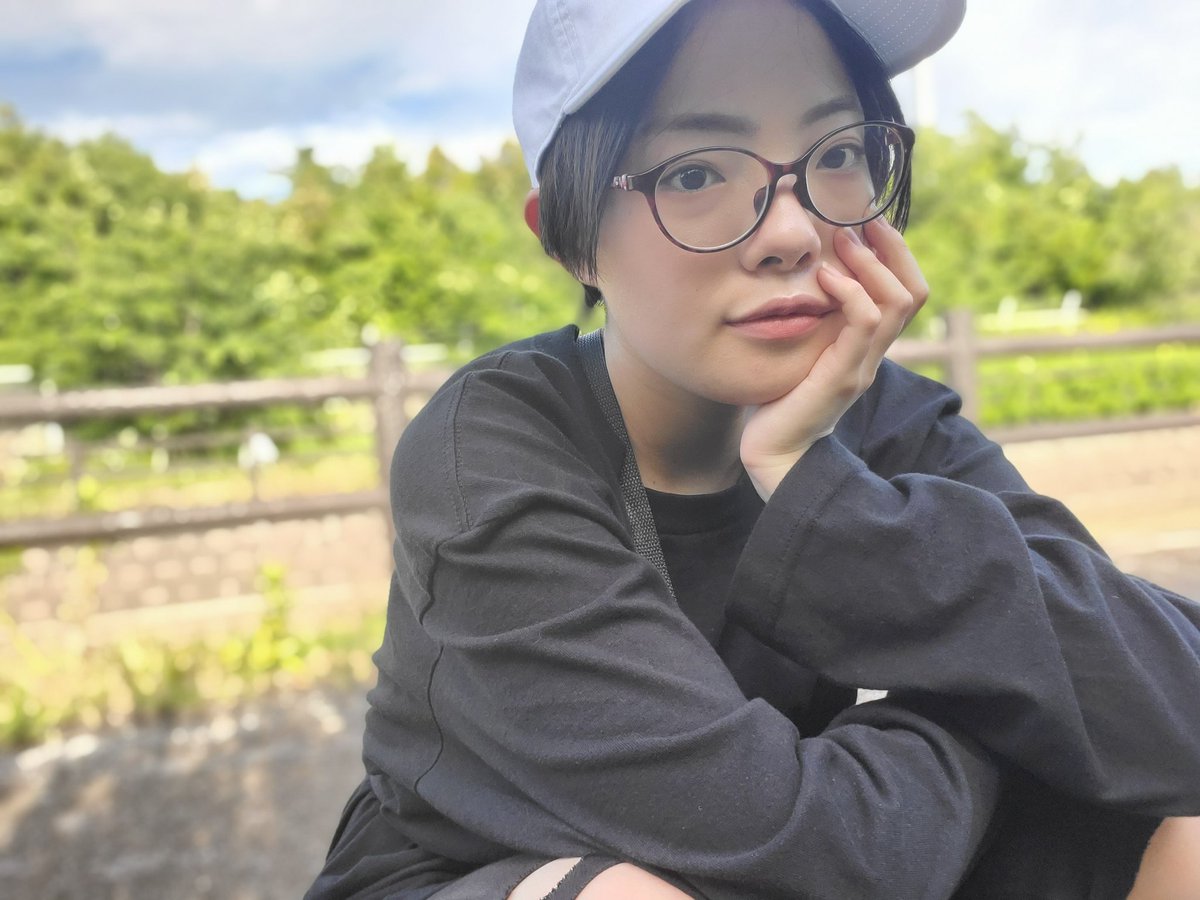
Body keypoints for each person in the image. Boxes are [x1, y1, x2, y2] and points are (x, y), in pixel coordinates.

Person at [306, 0, 1200, 897]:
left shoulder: (880, 415)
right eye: (695, 172)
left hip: (829, 837)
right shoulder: (493, 452)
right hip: (494, 875)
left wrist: (815, 480)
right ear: (566, 239)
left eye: (838, 155)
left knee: (1175, 826)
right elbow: (809, 850)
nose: (792, 234)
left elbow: (1173, 703)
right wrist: (1013, 706)